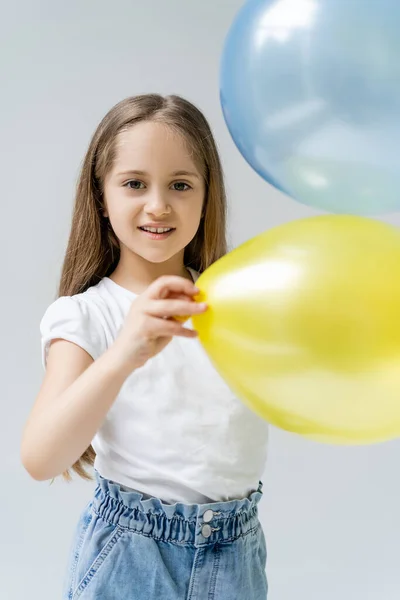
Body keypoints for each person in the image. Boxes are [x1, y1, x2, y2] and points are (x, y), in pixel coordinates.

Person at [21, 94, 269, 600]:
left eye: (180, 185)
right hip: (132, 555)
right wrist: (126, 350)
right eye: (134, 184)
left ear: (206, 195)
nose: (158, 205)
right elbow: (40, 458)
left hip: (237, 552)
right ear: (101, 194)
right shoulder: (87, 315)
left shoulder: (237, 305)